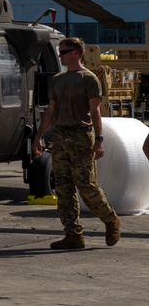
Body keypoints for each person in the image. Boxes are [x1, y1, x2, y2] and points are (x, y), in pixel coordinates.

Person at [31, 37, 120, 249]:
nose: (60, 55)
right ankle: (73, 234)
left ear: (75, 54)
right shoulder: (58, 80)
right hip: (60, 136)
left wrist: (99, 140)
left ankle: (110, 219)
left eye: (63, 52)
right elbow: (50, 111)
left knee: (86, 185)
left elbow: (95, 112)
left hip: (81, 135)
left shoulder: (88, 79)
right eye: (60, 51)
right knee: (63, 187)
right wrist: (39, 135)